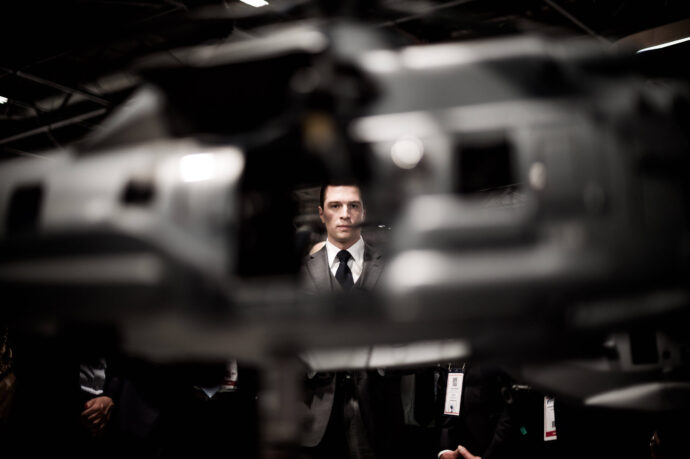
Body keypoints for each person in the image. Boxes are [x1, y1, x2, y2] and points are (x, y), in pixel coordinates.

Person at [299, 181, 404, 459]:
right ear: (322, 213)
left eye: (353, 205)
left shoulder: (394, 270)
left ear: (363, 212)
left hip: (377, 417)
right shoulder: (300, 274)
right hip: (315, 418)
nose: (345, 214)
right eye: (335, 206)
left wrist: (381, 359)